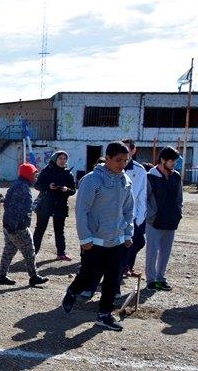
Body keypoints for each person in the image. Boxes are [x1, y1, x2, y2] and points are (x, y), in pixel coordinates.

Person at [61, 141, 133, 332]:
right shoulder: (92, 180)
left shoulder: (125, 180)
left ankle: (104, 315)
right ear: (107, 158)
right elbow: (82, 211)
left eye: (125, 160)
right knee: (88, 276)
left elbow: (128, 210)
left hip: (117, 240)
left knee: (112, 279)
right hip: (95, 241)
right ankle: (72, 291)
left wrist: (127, 233)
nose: (122, 164)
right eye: (118, 160)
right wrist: (85, 238)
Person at [0, 163, 49, 287]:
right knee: (29, 251)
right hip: (17, 227)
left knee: (9, 250)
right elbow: (15, 209)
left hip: (9, 225)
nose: (36, 176)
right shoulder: (22, 188)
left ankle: (2, 276)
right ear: (28, 174)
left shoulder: (17, 185)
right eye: (34, 174)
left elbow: (10, 205)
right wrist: (13, 226)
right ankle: (33, 277)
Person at [145, 146, 182, 291]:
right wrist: (150, 214)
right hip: (154, 221)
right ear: (162, 160)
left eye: (175, 161)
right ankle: (151, 280)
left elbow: (179, 198)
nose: (174, 164)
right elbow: (144, 198)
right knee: (152, 252)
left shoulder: (176, 176)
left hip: (171, 220)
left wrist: (179, 213)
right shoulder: (150, 176)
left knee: (165, 253)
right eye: (171, 161)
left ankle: (161, 279)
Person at [33, 151, 76, 260]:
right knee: (40, 229)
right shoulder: (47, 171)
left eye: (64, 158)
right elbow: (37, 185)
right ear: (55, 159)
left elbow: (73, 191)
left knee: (59, 230)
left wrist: (66, 189)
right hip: (45, 203)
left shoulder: (68, 174)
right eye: (60, 158)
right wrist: (48, 186)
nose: (62, 160)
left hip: (60, 205)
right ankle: (32, 253)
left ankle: (61, 253)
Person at [120, 139, 147, 277]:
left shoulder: (139, 170)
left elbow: (142, 194)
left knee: (138, 242)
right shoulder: (112, 166)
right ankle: (122, 267)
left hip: (133, 215)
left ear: (133, 150)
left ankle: (127, 266)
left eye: (126, 148)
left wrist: (140, 216)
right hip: (115, 215)